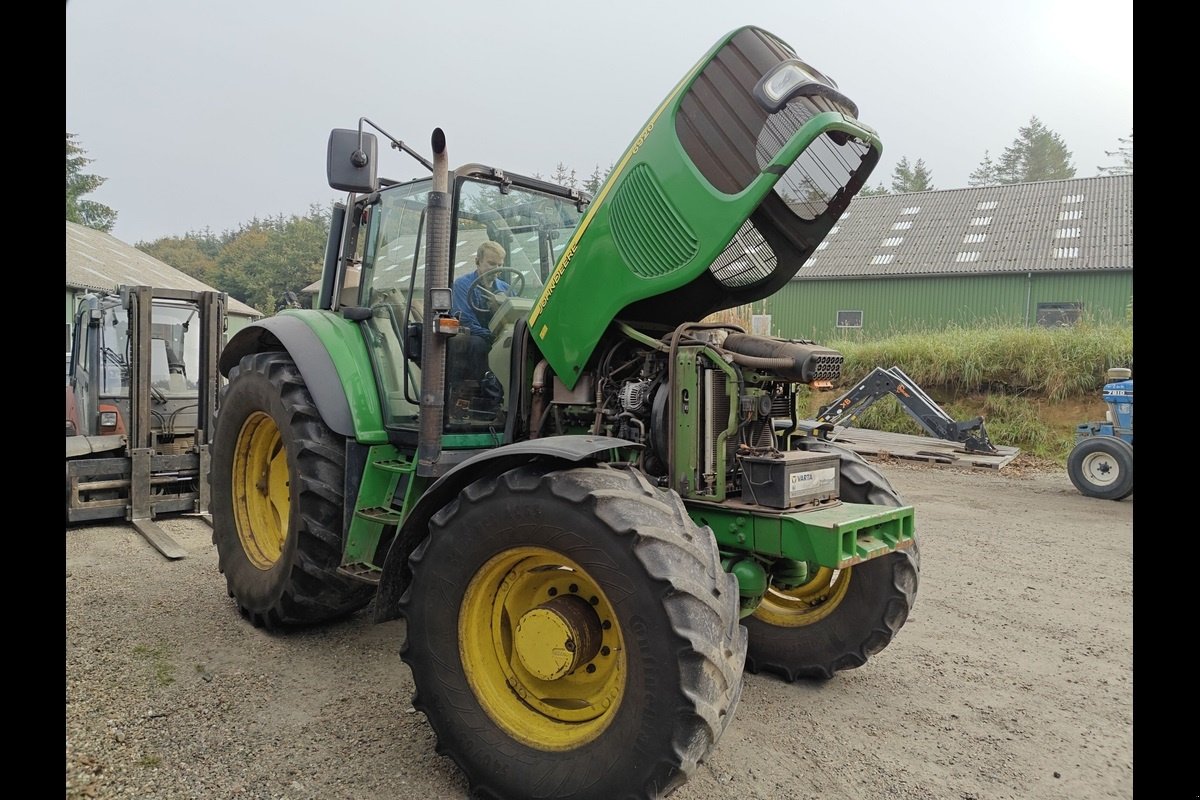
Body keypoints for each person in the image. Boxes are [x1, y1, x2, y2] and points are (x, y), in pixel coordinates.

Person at [448, 241, 510, 415]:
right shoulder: (462, 285)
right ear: (477, 261)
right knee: (478, 344)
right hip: (477, 337)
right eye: (491, 264)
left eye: (500, 265)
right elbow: (465, 320)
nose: (496, 269)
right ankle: (485, 395)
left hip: (500, 336)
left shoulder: (506, 289)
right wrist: (492, 336)